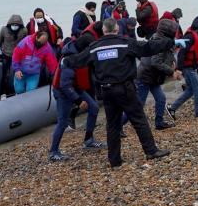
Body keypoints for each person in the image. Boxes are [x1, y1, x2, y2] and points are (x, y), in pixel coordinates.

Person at [66, 18, 169, 167]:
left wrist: (65, 61)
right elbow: (148, 48)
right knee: (139, 120)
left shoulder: (95, 47)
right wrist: (170, 42)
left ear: (103, 31)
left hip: (106, 91)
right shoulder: (125, 43)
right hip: (125, 88)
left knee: (112, 125)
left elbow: (78, 60)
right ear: (116, 29)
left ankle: (114, 160)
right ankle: (151, 151)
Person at [48, 43, 104, 161]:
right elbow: (65, 86)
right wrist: (79, 101)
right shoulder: (69, 62)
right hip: (63, 93)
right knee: (63, 122)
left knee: (94, 108)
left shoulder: (82, 58)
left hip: (76, 88)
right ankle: (53, 152)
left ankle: (88, 140)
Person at [136, 19, 180, 129]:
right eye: (173, 30)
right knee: (138, 105)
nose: (175, 32)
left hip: (153, 77)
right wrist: (171, 72)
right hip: (145, 77)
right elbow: (155, 62)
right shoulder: (158, 41)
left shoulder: (163, 39)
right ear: (167, 31)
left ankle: (159, 123)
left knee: (161, 99)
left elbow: (168, 55)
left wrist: (174, 66)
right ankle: (119, 126)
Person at [168, 17, 198, 119]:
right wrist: (179, 69)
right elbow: (182, 53)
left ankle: (172, 108)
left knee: (191, 90)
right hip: (188, 68)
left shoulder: (195, 35)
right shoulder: (190, 36)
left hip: (191, 67)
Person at [0, 14, 28, 94]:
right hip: (6, 55)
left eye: (17, 25)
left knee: (18, 74)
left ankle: (18, 90)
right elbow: (0, 40)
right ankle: (3, 93)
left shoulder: (24, 30)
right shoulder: (4, 29)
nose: (15, 26)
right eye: (13, 24)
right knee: (5, 74)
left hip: (18, 56)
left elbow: (26, 42)